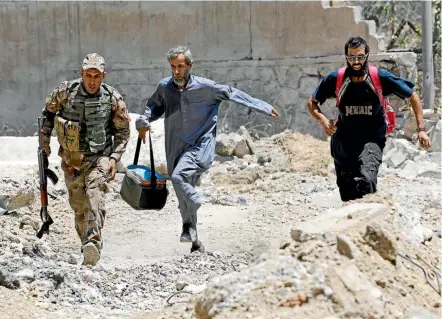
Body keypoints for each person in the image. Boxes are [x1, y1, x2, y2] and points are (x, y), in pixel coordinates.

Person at [136, 46, 279, 252]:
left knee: (178, 178)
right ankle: (193, 238)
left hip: (200, 145)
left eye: (181, 66)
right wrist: (143, 120)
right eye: (173, 67)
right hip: (175, 145)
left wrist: (262, 106)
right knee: (182, 194)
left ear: (190, 66)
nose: (176, 71)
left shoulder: (206, 88)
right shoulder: (165, 87)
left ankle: (195, 202)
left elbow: (232, 93)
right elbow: (154, 106)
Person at [306, 36, 432, 202]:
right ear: (346, 57)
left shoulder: (379, 77)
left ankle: (370, 216)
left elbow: (413, 96)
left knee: (366, 180)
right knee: (347, 192)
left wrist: (421, 130)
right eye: (351, 57)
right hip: (343, 142)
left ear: (367, 55)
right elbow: (311, 102)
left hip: (371, 139)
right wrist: (323, 120)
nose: (356, 62)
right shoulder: (336, 79)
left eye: (360, 57)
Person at [41, 53, 130, 265]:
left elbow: (123, 132)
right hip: (72, 160)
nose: (92, 80)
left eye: (96, 76)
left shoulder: (112, 98)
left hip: (99, 157)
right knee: (79, 206)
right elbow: (47, 115)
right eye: (88, 75)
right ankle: (87, 247)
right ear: (81, 74)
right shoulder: (64, 92)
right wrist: (44, 141)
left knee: (94, 193)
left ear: (103, 77)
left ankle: (93, 240)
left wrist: (113, 158)